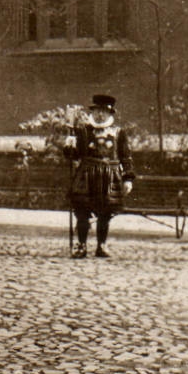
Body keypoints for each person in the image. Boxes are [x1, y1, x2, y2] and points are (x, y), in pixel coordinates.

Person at [66, 94, 134, 258]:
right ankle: (81, 245)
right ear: (93, 112)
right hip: (87, 175)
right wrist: (69, 144)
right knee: (82, 211)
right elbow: (75, 156)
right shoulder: (83, 131)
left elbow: (126, 156)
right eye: (97, 111)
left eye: (104, 111)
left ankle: (101, 245)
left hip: (109, 176)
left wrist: (128, 178)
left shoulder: (119, 133)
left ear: (110, 113)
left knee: (105, 213)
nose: (100, 115)